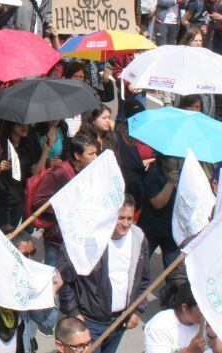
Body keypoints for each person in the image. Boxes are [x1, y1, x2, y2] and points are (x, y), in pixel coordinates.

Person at [55, 195, 151, 353]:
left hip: (121, 321)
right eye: (121, 218)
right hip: (89, 322)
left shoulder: (138, 238)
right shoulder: (88, 238)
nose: (126, 224)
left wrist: (137, 310)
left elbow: (144, 280)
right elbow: (64, 277)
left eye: (130, 218)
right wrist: (74, 313)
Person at [31, 134, 99, 266]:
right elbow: (39, 202)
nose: (95, 157)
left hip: (75, 240)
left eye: (96, 153)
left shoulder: (86, 172)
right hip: (57, 241)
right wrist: (67, 208)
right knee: (53, 279)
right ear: (78, 155)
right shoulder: (59, 173)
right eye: (91, 154)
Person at [142, 281, 208, 353]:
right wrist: (189, 350)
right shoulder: (159, 325)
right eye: (201, 307)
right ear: (185, 308)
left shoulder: (209, 323)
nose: (206, 311)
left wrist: (213, 337)